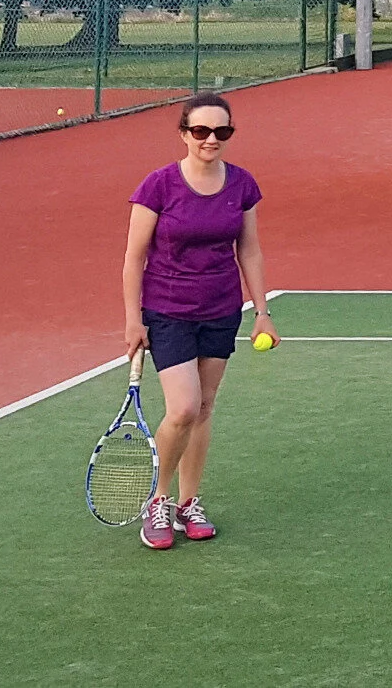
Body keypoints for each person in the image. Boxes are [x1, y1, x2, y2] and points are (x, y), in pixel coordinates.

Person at [121, 92, 272, 550]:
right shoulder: (158, 186)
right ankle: (159, 501)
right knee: (183, 408)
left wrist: (261, 313)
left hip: (221, 310)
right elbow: (133, 258)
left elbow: (249, 250)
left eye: (221, 131)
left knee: (204, 408)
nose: (211, 139)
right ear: (184, 134)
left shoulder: (242, 185)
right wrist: (133, 320)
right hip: (168, 310)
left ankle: (189, 503)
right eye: (201, 131)